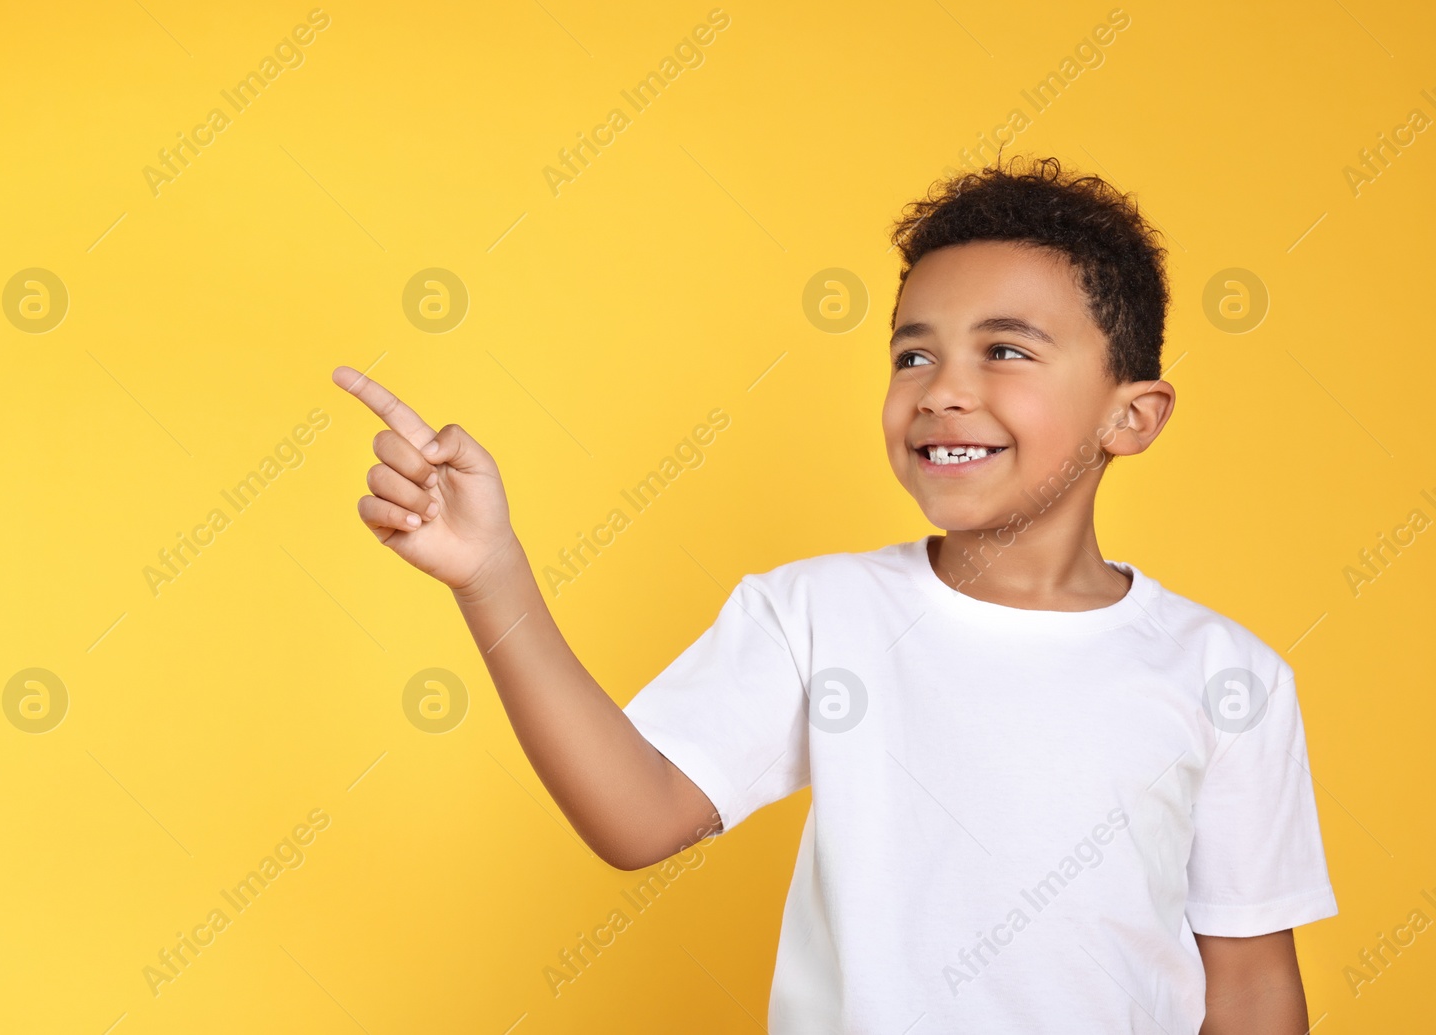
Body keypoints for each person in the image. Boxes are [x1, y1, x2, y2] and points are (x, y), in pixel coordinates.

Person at [329, 154, 1337, 1034]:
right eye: (912, 351)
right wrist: (491, 572)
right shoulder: (818, 615)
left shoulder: (1227, 676)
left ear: (1132, 415)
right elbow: (636, 817)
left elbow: (1249, 987)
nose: (941, 385)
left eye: (1005, 348)